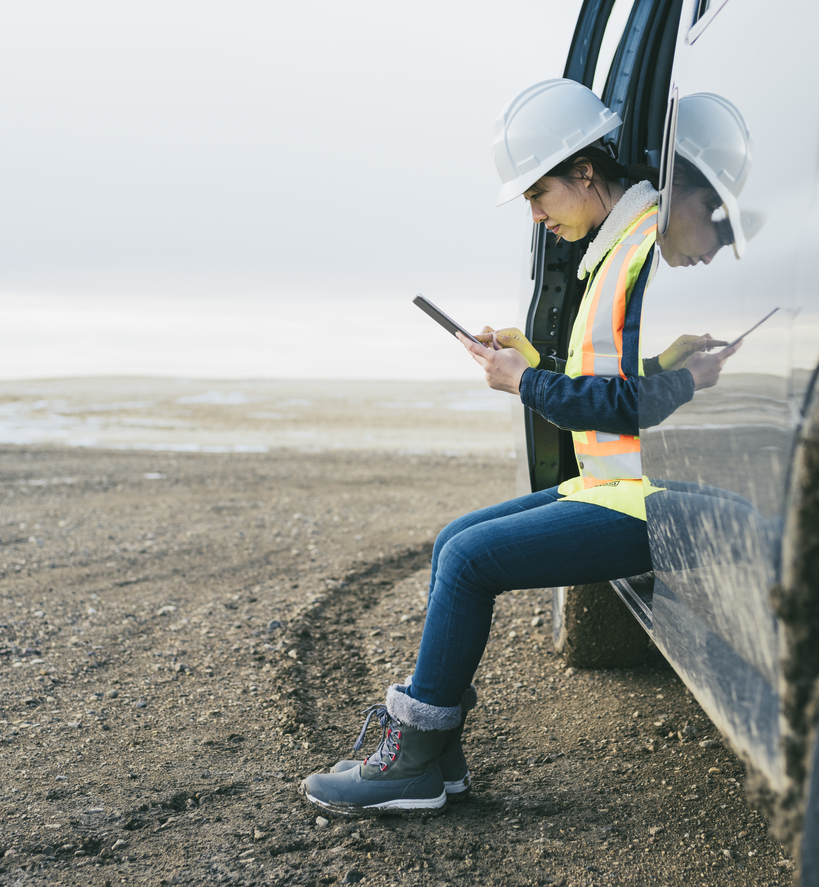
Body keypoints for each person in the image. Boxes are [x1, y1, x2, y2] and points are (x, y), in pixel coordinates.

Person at [301, 79, 742, 816]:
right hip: (612, 483)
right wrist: (533, 356)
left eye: (540, 194)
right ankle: (435, 763)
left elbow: (639, 405)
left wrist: (526, 381)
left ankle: (411, 758)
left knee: (471, 562)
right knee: (453, 540)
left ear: (585, 172)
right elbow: (632, 379)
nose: (536, 216)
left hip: (649, 495)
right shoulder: (618, 245)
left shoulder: (645, 249)